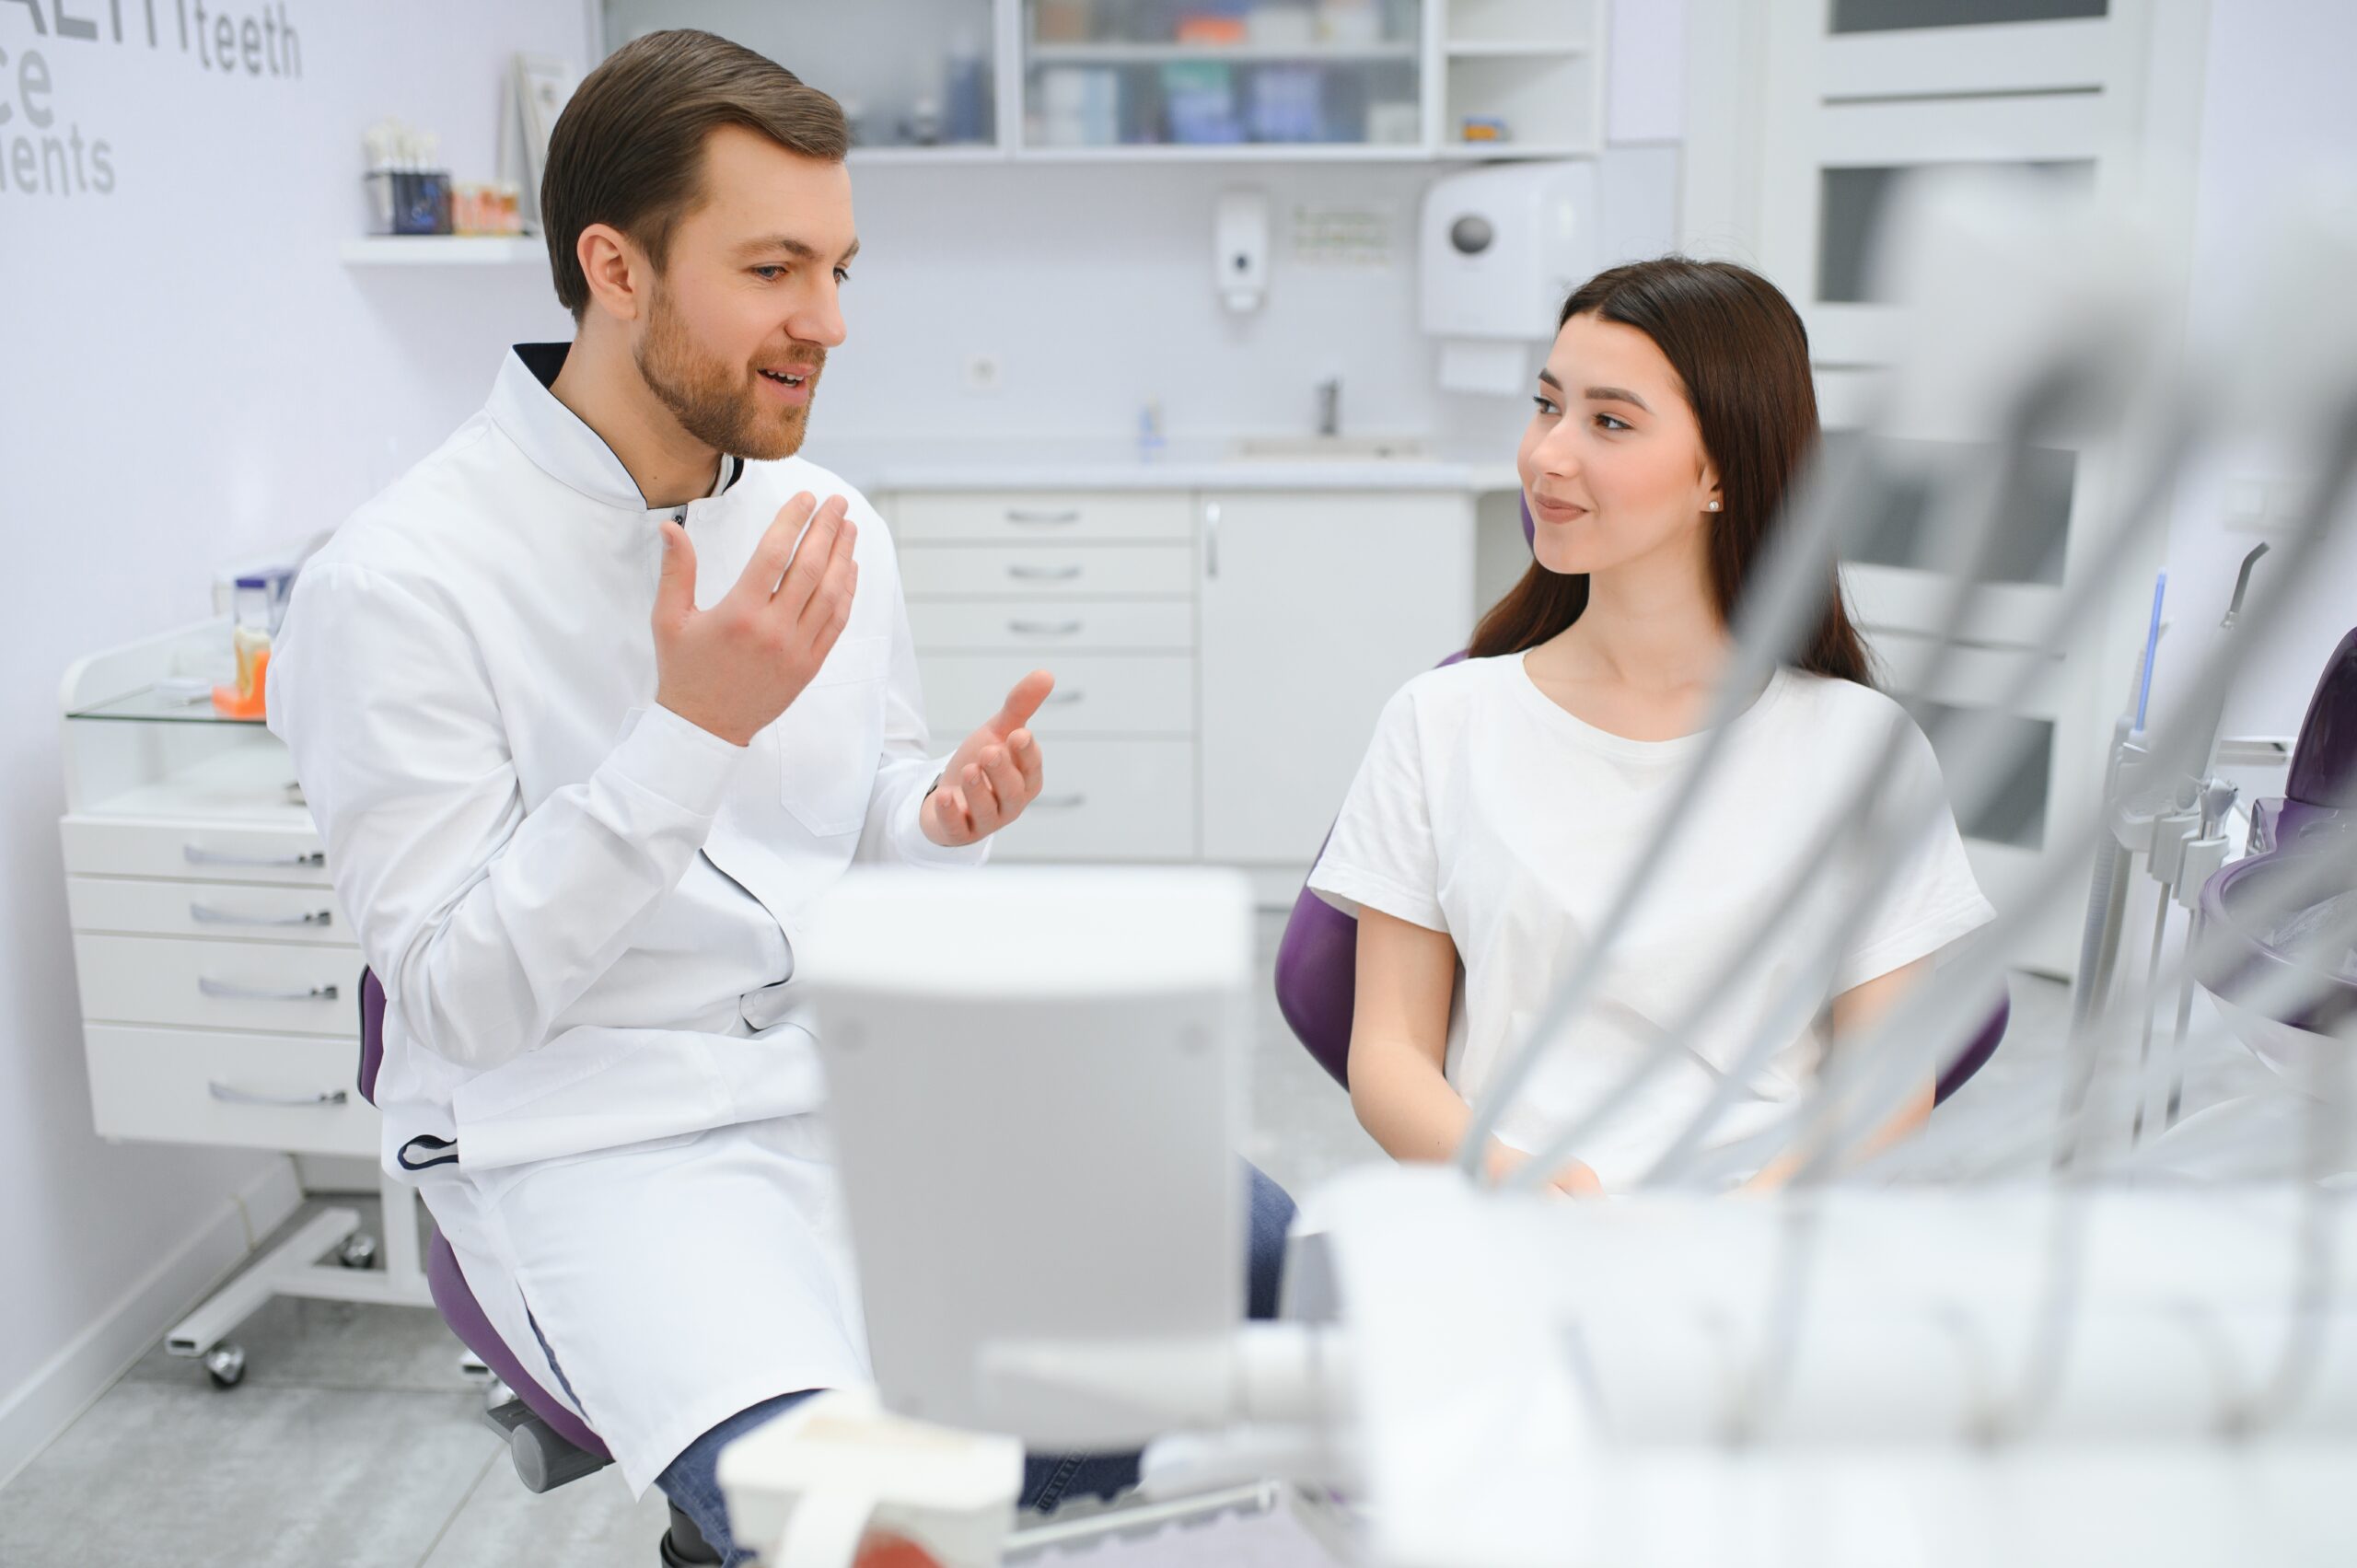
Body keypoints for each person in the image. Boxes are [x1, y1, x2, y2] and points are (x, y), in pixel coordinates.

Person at [267, 30, 1292, 1565]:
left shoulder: (822, 519)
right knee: (865, 1528)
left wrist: (932, 817)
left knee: (1280, 1276)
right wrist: (688, 732)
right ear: (615, 268)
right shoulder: (397, 583)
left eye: (838, 267)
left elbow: (854, 815)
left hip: (858, 1075)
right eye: (773, 270)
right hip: (601, 1137)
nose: (829, 319)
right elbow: (461, 998)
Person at [1309, 257, 1996, 1194]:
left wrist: (1737, 1225)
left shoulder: (1861, 749)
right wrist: (1522, 1185)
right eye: (1547, 405)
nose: (1548, 455)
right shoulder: (1441, 720)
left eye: (1609, 421)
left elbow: (1885, 1083)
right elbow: (1388, 1054)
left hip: (1757, 1230)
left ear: (1721, 471)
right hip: (1509, 1217)